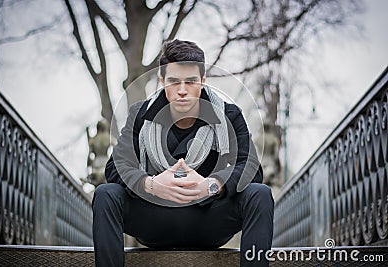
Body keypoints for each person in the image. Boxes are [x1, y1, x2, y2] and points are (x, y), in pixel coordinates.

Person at [92, 39, 274, 267]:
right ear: (161, 81)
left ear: (203, 80)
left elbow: (251, 167)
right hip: (154, 218)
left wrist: (211, 184)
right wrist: (151, 185)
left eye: (190, 81)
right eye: (173, 81)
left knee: (260, 193)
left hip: (209, 220)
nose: (182, 91)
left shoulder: (229, 115)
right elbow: (115, 167)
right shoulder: (140, 114)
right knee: (106, 194)